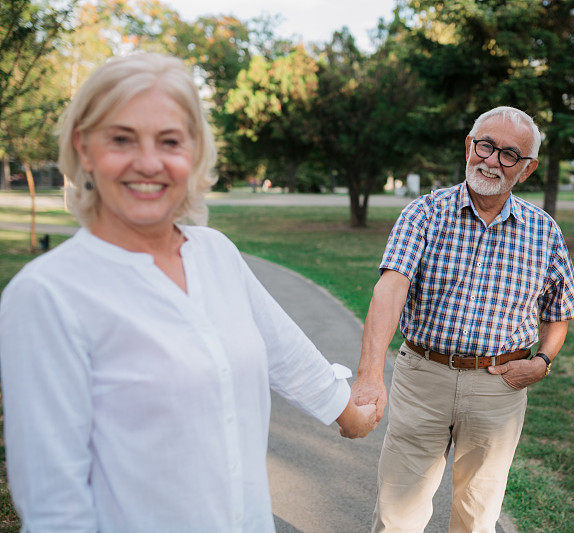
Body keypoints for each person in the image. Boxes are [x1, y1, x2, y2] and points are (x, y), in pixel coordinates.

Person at [0, 53, 377, 531]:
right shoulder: (47, 295)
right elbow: (55, 506)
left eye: (170, 141)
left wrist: (349, 414)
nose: (149, 162)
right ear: (84, 147)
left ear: (194, 153)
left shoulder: (213, 251)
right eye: (121, 139)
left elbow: (283, 349)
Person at [352, 106, 574, 532]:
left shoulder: (544, 231)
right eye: (485, 146)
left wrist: (543, 361)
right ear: (468, 146)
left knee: (477, 517)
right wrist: (370, 373)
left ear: (527, 169)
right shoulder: (424, 213)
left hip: (499, 387)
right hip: (423, 377)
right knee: (397, 512)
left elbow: (560, 311)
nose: (492, 160)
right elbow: (390, 289)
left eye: (509, 154)